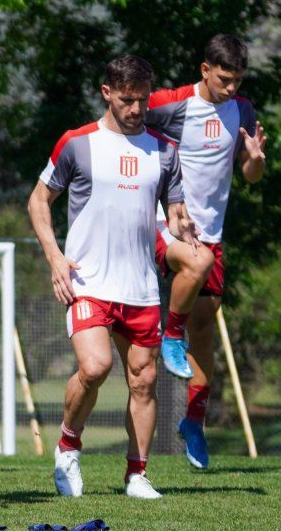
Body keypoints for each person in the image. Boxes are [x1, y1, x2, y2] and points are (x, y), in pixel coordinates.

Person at [27, 55, 200, 500]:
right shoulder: (77, 143)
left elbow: (175, 211)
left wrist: (184, 228)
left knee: (143, 380)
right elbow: (38, 201)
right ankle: (67, 447)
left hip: (140, 285)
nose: (137, 108)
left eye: (143, 99)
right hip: (87, 280)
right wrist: (55, 257)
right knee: (96, 366)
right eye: (127, 100)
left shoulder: (164, 150)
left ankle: (137, 474)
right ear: (107, 93)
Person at [146, 34, 266, 468]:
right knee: (193, 269)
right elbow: (124, 121)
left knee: (206, 328)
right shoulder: (169, 104)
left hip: (211, 233)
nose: (231, 88)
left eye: (237, 80)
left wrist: (255, 159)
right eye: (224, 78)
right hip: (166, 225)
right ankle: (168, 335)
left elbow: (251, 175)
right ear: (205, 70)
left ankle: (193, 420)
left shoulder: (243, 111)